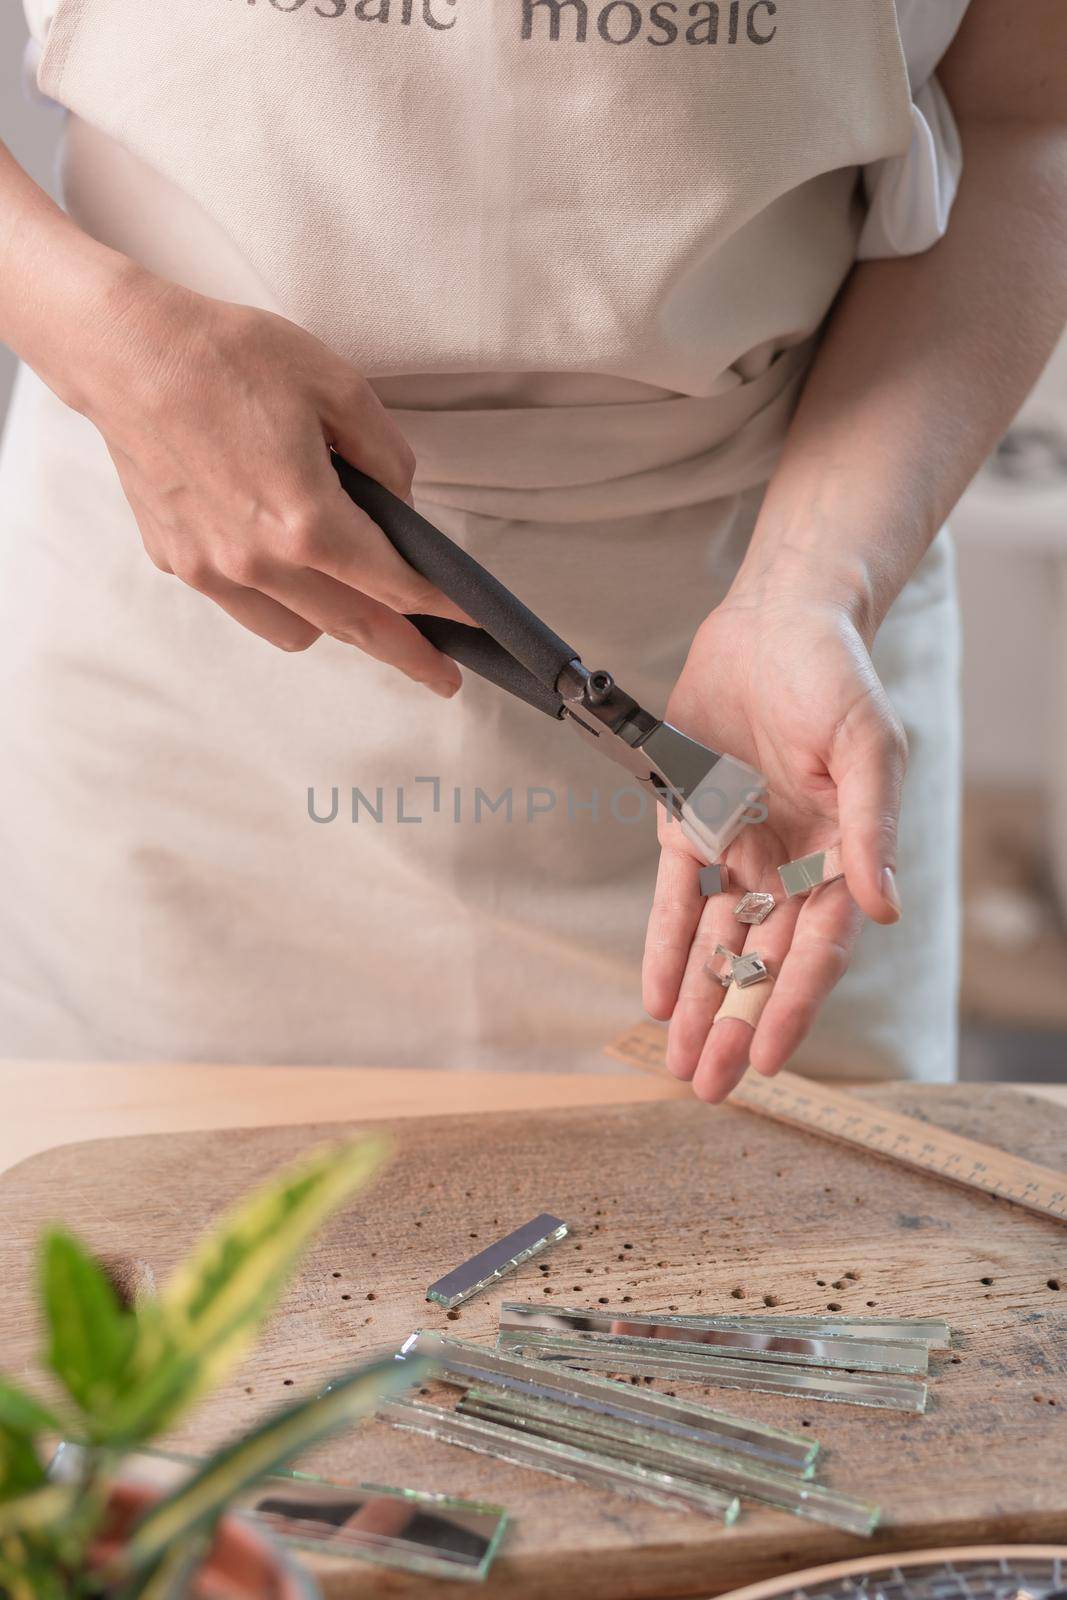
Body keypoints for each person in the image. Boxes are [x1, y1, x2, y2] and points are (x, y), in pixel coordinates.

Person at [0, 0, 1063, 1094]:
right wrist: (109, 340)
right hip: (177, 664)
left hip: (777, 605)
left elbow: (1024, 114)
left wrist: (812, 582)